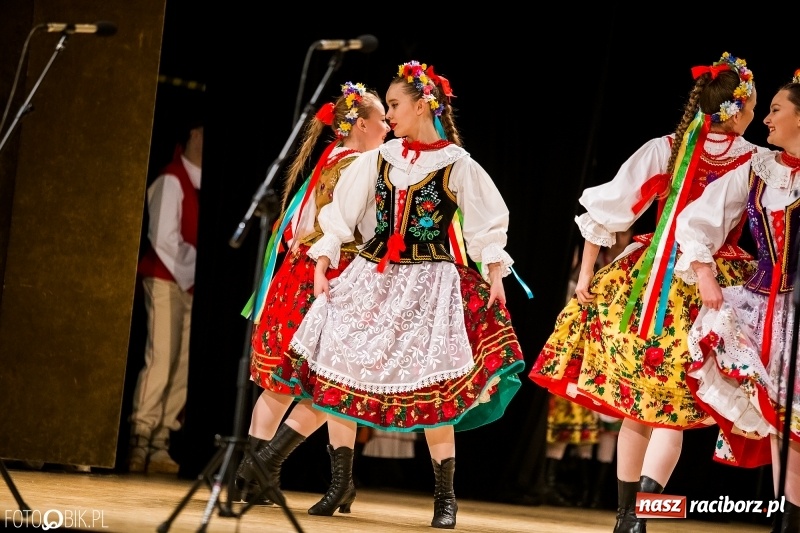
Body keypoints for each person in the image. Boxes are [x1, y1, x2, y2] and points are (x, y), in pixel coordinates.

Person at [245, 60, 526, 529]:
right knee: (337, 365)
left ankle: (444, 497)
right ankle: (285, 466)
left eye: (395, 105)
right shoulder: (382, 157)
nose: (390, 114)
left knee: (432, 381)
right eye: (387, 107)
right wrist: (321, 261)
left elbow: (485, 225)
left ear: (423, 106)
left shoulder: (457, 163)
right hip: (372, 275)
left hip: (429, 281)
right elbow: (343, 210)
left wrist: (495, 272)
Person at [528, 52, 763, 532]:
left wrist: (586, 274)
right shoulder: (755, 161)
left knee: (637, 407)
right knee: (668, 416)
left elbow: (612, 208)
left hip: (648, 284)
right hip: (704, 289)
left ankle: (625, 515)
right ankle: (637, 515)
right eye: (755, 103)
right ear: (737, 110)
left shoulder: (666, 148)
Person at [231, 82, 391, 505]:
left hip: (301, 273)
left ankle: (299, 479)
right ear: (360, 123)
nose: (388, 124)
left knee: (295, 385)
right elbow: (364, 228)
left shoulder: (334, 157)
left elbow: (307, 223)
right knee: (332, 384)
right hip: (328, 276)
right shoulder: (361, 163)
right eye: (382, 117)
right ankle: (261, 468)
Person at [674, 70, 800, 532]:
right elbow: (696, 221)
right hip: (764, 306)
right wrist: (704, 274)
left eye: (776, 109)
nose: (765, 119)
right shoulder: (758, 169)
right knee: (782, 421)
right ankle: (788, 520)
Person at [128, 116, 203, 474]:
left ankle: (160, 440)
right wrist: (193, 272)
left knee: (183, 364)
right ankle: (140, 435)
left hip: (187, 284)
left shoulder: (198, 184)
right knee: (161, 356)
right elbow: (163, 238)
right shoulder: (171, 179)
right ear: (190, 135)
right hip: (165, 279)